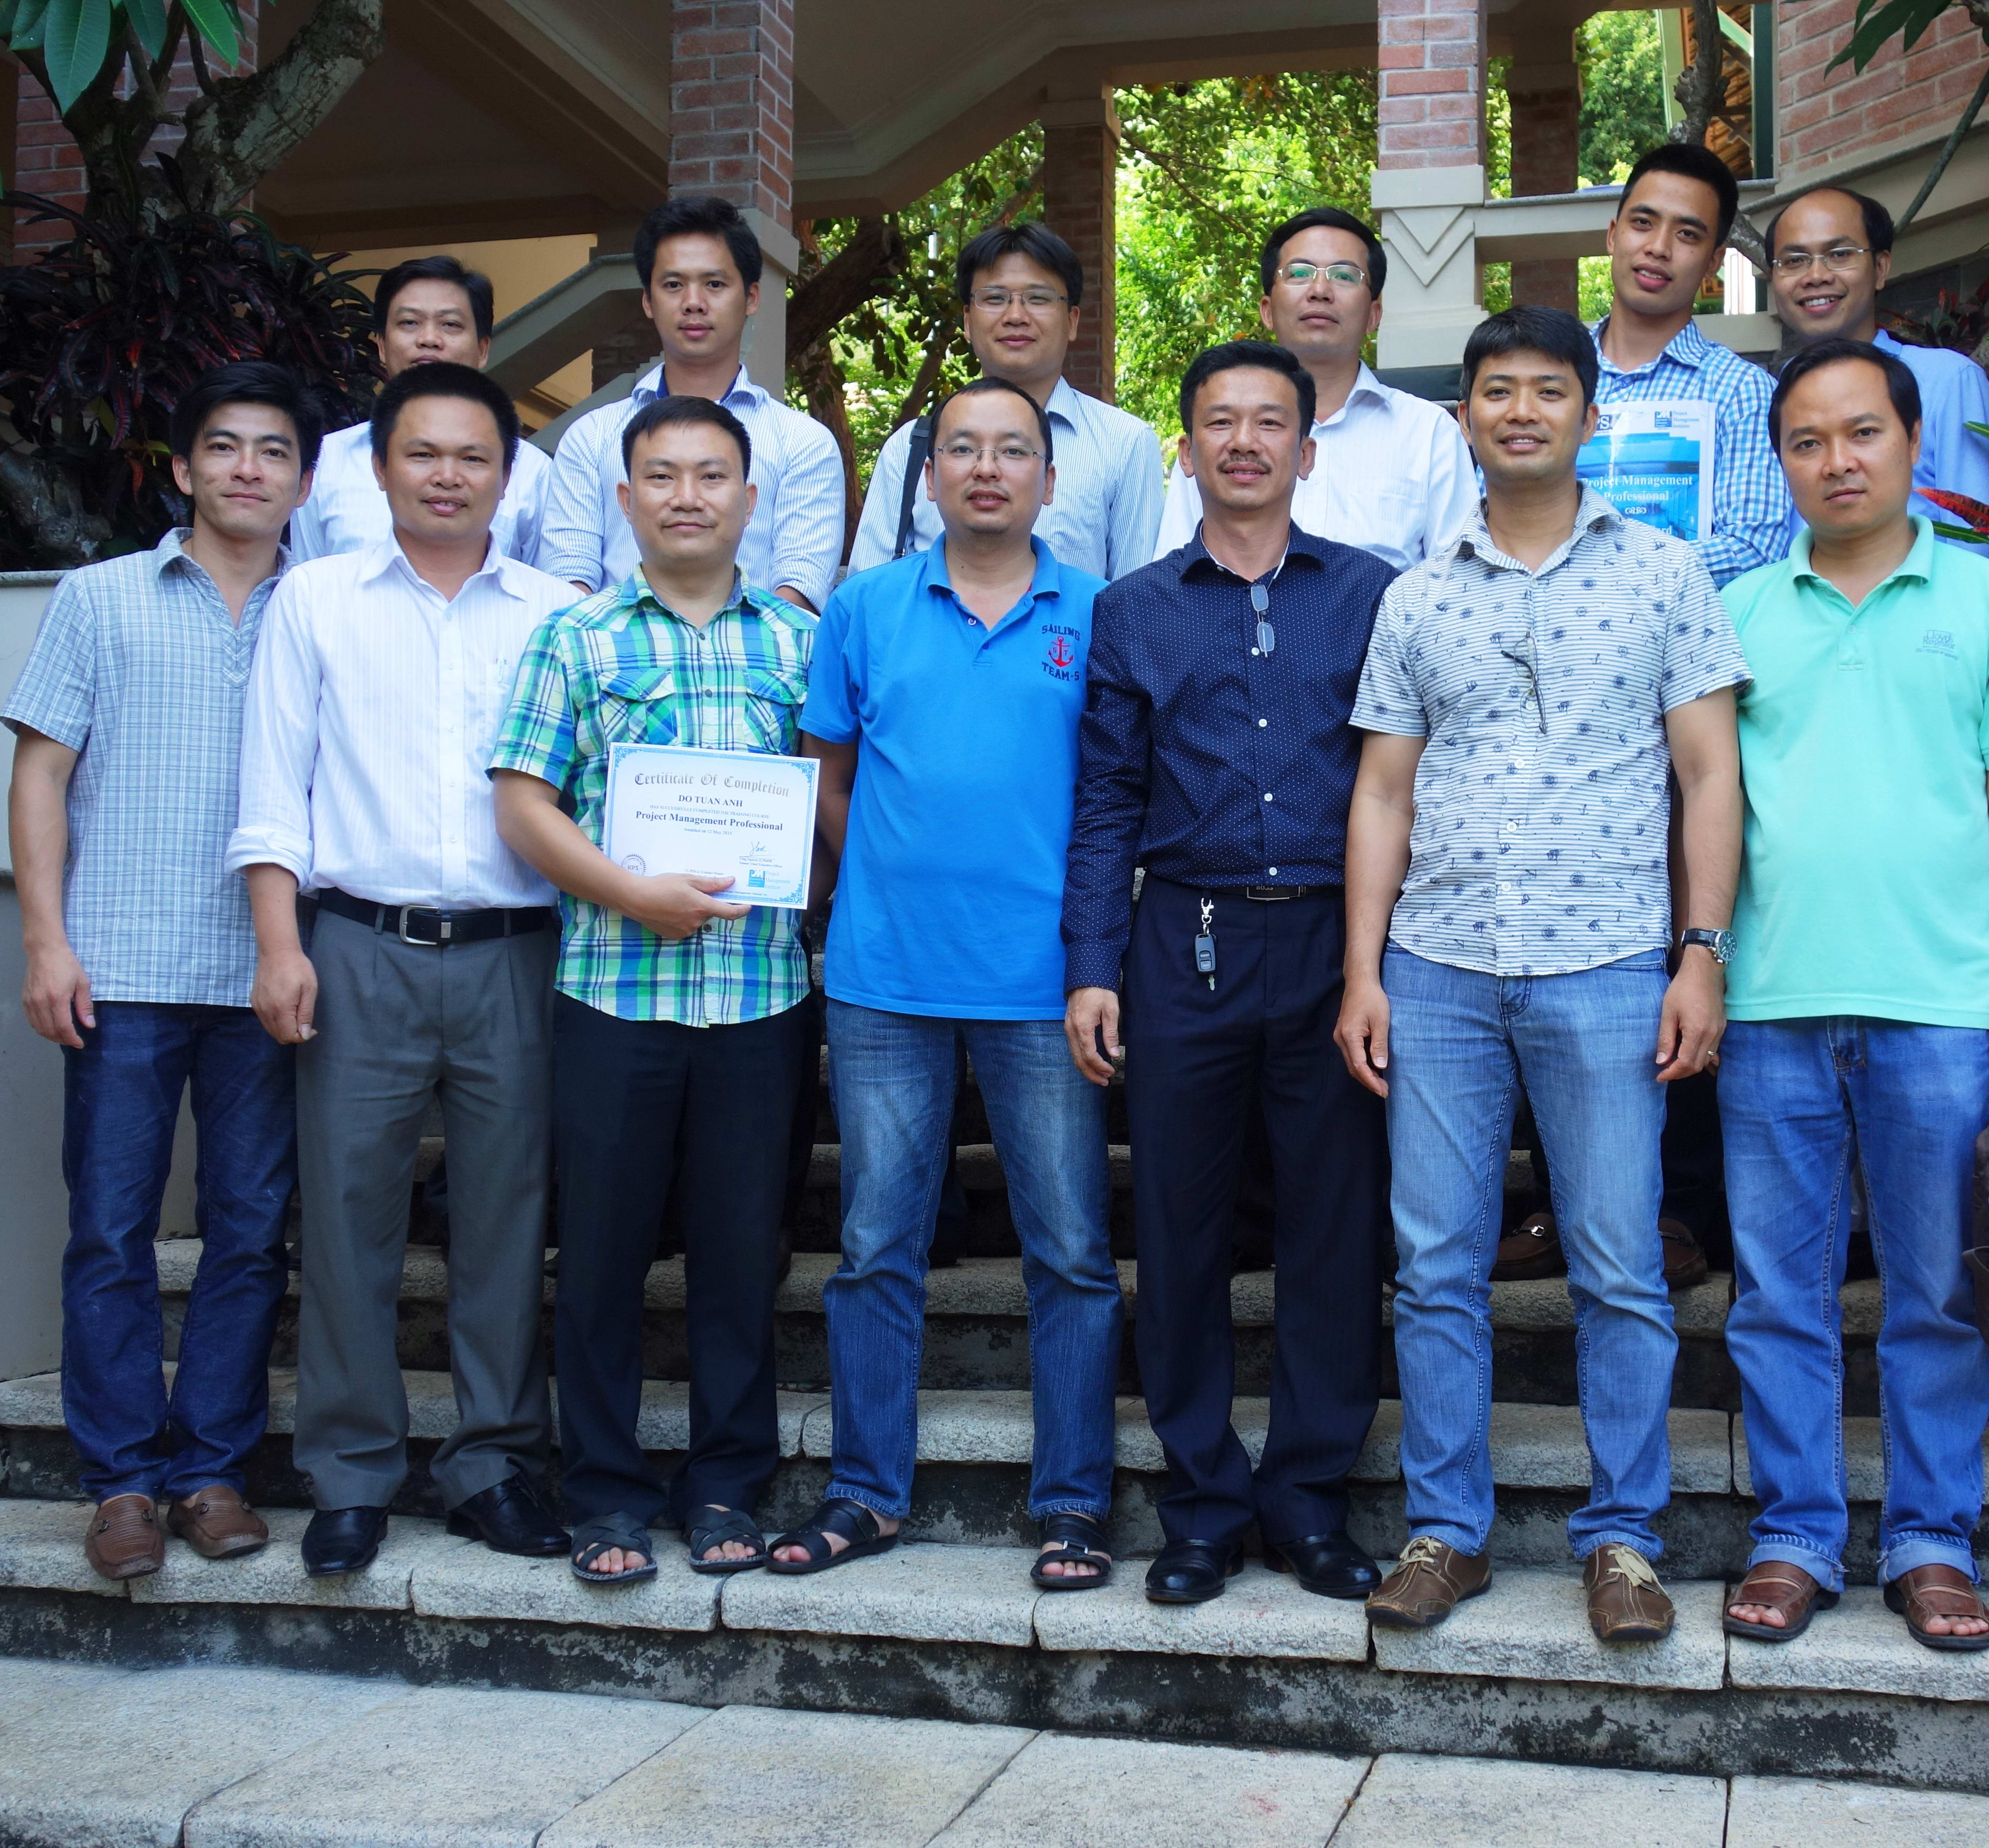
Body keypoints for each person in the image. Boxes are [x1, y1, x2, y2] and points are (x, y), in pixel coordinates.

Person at [1339, 305, 1747, 1645]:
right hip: (1439, 967)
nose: (1522, 411)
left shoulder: (1665, 574)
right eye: (1497, 391)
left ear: (1588, 414)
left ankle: (1622, 1540)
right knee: (1434, 1266)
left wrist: (1700, 954)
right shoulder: (1415, 594)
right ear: (1463, 417)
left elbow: (1708, 775)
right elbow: (1381, 793)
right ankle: (1445, 1532)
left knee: (1619, 1265)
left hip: (1610, 962)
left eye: (1548, 390)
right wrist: (1361, 971)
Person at [1712, 339, 1989, 1651]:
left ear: (1915, 443)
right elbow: (1701, 799)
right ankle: (1795, 1537)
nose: (1837, 461)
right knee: (1777, 1298)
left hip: (1940, 1006)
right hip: (1769, 1005)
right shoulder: (1737, 612)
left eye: (1862, 433)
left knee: (1935, 1292)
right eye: (1806, 441)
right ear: (1780, 463)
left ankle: (1931, 1543)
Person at [229, 360, 582, 1576]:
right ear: (377, 469)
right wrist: (280, 944)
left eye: (472, 456)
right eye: (421, 453)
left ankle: (494, 1463)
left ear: (507, 476)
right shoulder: (316, 599)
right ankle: (349, 1473)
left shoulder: (556, 613)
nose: (446, 475)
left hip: (515, 953)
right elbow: (272, 786)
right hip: (356, 947)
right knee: (345, 1218)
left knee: (507, 1220)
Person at [773, 375, 1124, 1589]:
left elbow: (1114, 793)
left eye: (1011, 449)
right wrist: (882, 868)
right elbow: (827, 772)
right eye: (961, 448)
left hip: (1045, 983)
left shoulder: (1100, 612)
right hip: (885, 978)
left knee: (1069, 1249)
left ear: (1047, 477)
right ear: (926, 476)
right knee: (876, 1242)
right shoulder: (864, 607)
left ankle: (1073, 1502)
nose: (985, 467)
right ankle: (866, 1492)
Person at [1066, 340, 1395, 1607]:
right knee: (1178, 1228)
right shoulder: (1132, 609)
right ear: (1187, 448)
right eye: (1220, 421)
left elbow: (1401, 779)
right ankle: (1201, 1505)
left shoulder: (1372, 593)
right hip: (1182, 941)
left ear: (1306, 453)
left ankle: (1307, 1497)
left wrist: (1378, 961)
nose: (1244, 442)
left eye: (1269, 423)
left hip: (1332, 941)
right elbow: (1107, 797)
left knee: (1334, 1228)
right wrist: (1093, 964)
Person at [489, 395, 823, 1586]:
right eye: (664, 477)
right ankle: (606, 1493)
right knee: (601, 1258)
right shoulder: (573, 639)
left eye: (712, 475)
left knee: (741, 1257)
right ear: (625, 500)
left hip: (759, 997)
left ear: (749, 498)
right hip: (610, 992)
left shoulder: (798, 644)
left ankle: (728, 1482)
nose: (689, 496)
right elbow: (523, 801)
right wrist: (630, 890)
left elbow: (828, 799)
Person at [3, 362, 321, 1580]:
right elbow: (40, 773)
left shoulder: (323, 607)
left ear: (303, 482)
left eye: (275, 451)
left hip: (266, 975)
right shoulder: (100, 599)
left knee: (248, 1233)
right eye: (224, 447)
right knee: (111, 1231)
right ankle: (123, 1483)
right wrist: (46, 939)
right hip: (121, 967)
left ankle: (211, 1474)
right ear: (182, 468)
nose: (249, 468)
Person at [1584, 141, 1797, 1292]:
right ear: (1611, 230)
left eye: (1688, 233)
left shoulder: (1741, 396)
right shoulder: (1547, 369)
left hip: (1681, 723)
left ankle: (1681, 1215)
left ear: (1713, 261)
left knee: (1685, 950)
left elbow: (1754, 547)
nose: (1658, 248)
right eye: (1643, 221)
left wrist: (1596, 581)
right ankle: (1571, 1201)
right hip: (1552, 729)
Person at [535, 195, 845, 609]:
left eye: (714, 284)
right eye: (673, 285)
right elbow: (567, 582)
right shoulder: (591, 437)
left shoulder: (803, 443)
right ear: (648, 301)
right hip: (613, 650)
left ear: (752, 297)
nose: (693, 302)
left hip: (754, 652)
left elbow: (800, 591)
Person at [1150, 208, 1478, 572]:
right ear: (1267, 310)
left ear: (1374, 315)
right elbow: (1174, 576)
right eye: (1300, 273)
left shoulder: (1429, 432)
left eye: (1344, 276)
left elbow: (1458, 582)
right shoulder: (1218, 440)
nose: (1320, 291)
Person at [848, 223, 1164, 584]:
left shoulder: (1125, 444)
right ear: (968, 321)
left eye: (1038, 298)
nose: (1015, 316)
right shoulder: (911, 447)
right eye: (995, 298)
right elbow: (868, 597)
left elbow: (1140, 598)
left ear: (1072, 321)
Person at [1762, 185, 1989, 533]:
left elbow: (1979, 542)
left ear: (1880, 268)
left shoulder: (1948, 381)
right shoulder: (1773, 393)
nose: (1816, 276)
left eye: (1839, 254)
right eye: (1794, 261)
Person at [288, 256, 553, 567]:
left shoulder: (532, 471)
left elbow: (542, 588)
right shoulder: (327, 459)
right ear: (382, 345)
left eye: (450, 325)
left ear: (483, 349)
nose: (429, 339)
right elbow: (309, 577)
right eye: (409, 323)